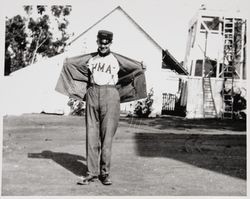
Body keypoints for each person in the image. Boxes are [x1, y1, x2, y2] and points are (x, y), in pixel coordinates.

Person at [55, 30, 147, 185]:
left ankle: (105, 173)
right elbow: (73, 63)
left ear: (110, 43)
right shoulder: (91, 58)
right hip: (92, 92)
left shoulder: (117, 59)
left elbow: (135, 68)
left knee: (107, 136)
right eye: (101, 42)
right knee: (91, 134)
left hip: (110, 94)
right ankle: (91, 173)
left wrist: (142, 66)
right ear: (97, 42)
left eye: (106, 43)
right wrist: (67, 60)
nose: (103, 45)